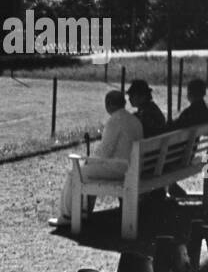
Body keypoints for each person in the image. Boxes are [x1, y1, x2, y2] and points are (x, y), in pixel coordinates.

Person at [47, 89, 142, 230]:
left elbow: (105, 151)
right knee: (87, 171)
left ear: (108, 104)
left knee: (75, 174)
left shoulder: (115, 121)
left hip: (120, 169)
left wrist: (88, 160)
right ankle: (83, 212)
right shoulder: (134, 120)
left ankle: (68, 216)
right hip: (132, 167)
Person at [168, 78, 208, 198]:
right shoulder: (204, 112)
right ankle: (172, 186)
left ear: (189, 94)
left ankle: (168, 186)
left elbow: (175, 127)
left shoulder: (190, 112)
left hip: (180, 155)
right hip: (190, 151)